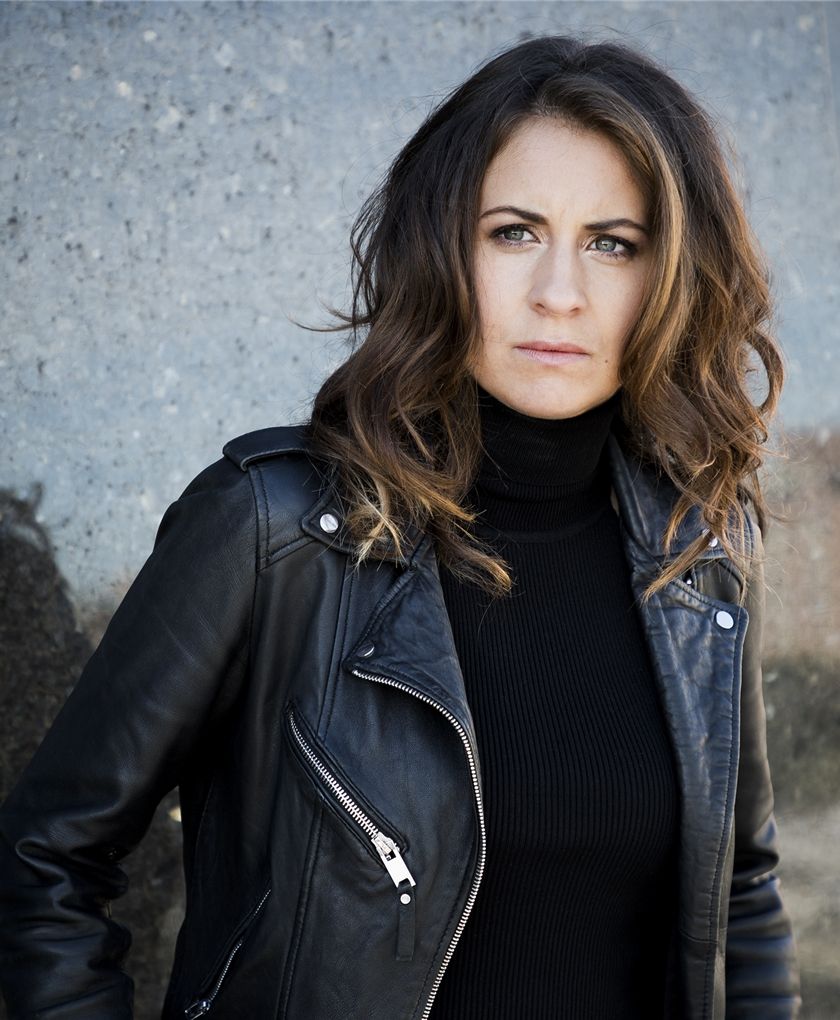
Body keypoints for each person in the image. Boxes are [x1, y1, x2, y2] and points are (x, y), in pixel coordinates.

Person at [0, 33, 800, 1020]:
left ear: (670, 275)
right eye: (514, 232)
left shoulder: (699, 550)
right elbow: (46, 863)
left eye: (613, 243)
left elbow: (740, 895)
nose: (560, 293)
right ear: (442, 248)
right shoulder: (275, 532)